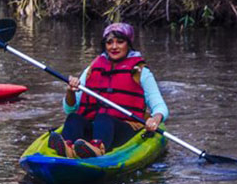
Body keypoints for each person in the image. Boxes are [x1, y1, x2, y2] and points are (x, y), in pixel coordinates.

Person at [55, 21, 166, 157]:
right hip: (96, 126)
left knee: (103, 118)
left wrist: (155, 119)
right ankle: (68, 148)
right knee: (74, 118)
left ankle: (97, 150)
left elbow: (160, 107)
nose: (114, 47)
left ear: (128, 44)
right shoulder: (93, 68)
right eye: (109, 42)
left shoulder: (140, 71)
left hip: (125, 128)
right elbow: (69, 109)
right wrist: (70, 92)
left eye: (120, 42)